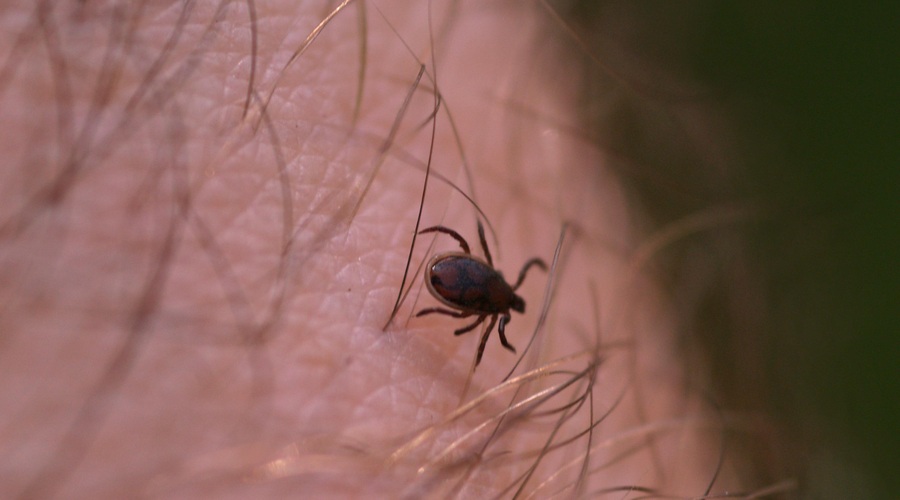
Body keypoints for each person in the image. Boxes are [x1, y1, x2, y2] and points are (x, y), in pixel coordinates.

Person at [0, 1, 789, 497]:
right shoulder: (490, 308)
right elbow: (471, 313)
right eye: (504, 301)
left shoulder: (481, 280)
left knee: (447, 263)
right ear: (501, 296)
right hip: (443, 276)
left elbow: (456, 266)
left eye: (502, 304)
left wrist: (432, 293)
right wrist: (438, 306)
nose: (502, 305)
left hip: (443, 269)